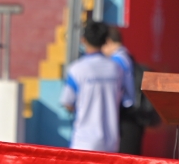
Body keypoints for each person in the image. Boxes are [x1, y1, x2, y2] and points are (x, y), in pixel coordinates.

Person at [60, 21, 124, 152]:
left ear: (83, 40)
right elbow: (125, 98)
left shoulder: (77, 69)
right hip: (111, 142)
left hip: (84, 141)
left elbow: (67, 102)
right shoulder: (116, 68)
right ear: (106, 41)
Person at [101, 27, 140, 154]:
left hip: (125, 117)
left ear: (108, 42)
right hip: (131, 117)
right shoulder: (127, 57)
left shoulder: (116, 62)